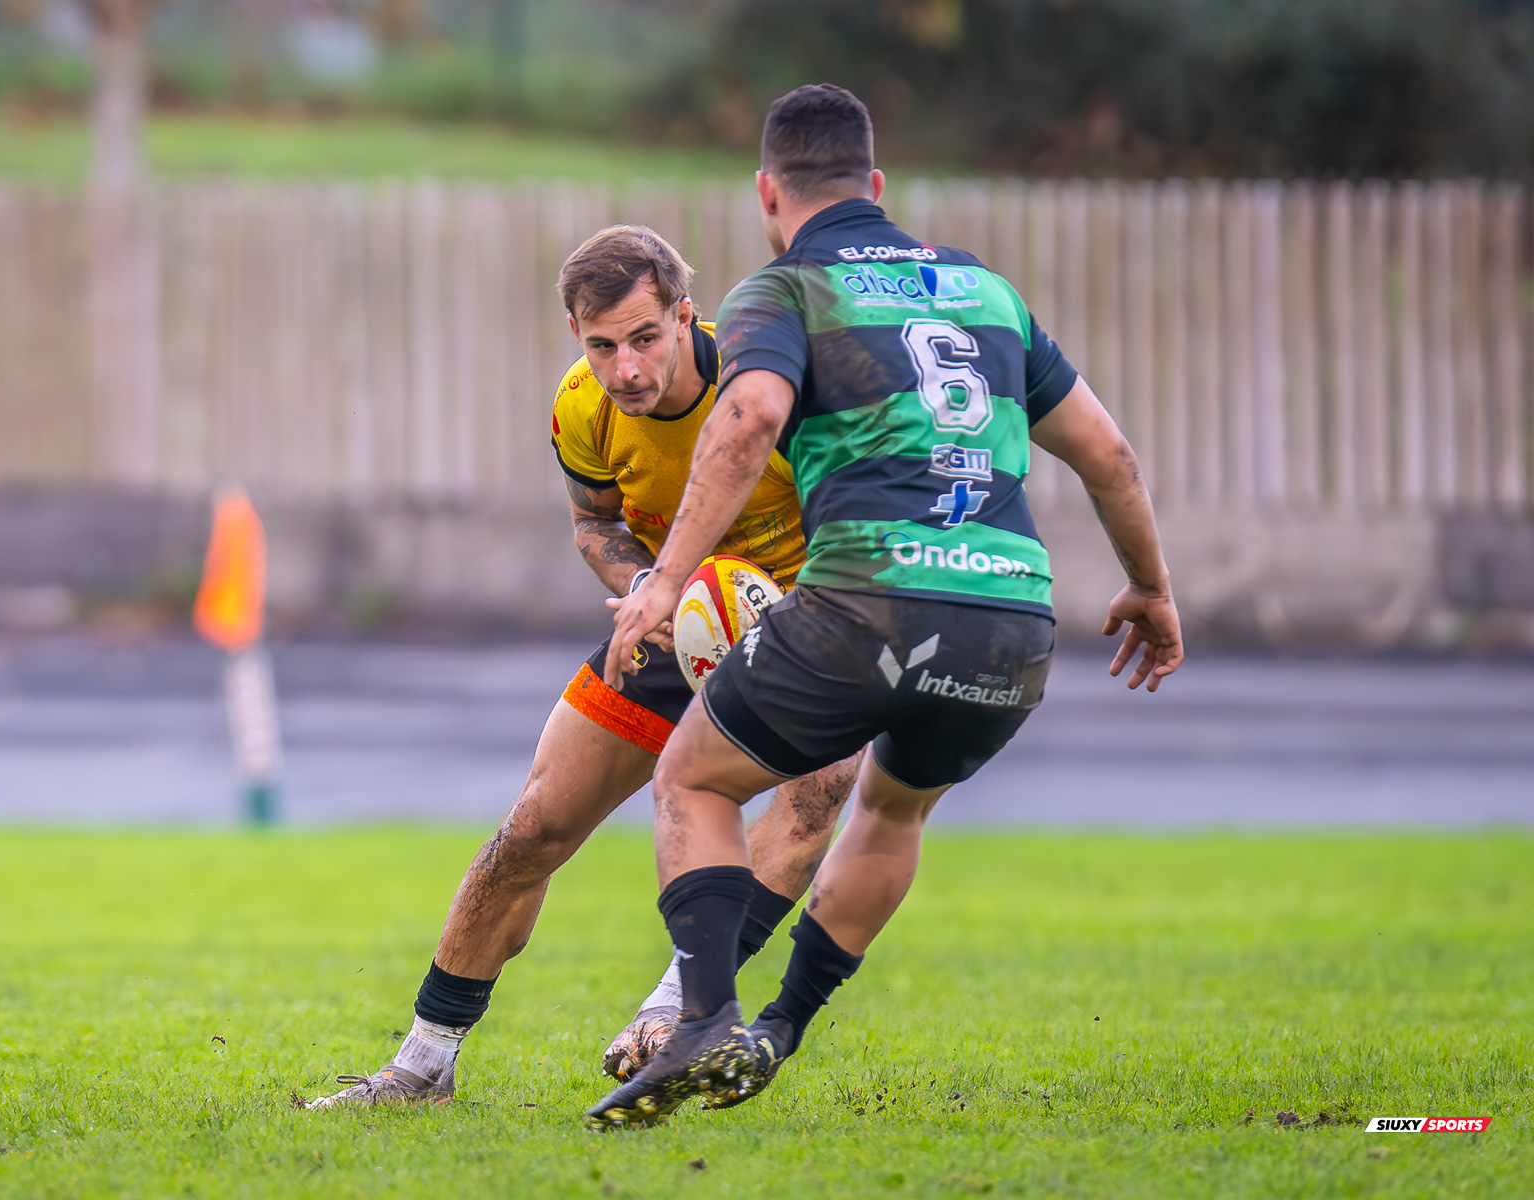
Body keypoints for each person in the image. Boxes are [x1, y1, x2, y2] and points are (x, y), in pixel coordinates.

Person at [585, 85, 1184, 1129]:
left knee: (691, 779)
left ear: (769, 191)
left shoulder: (788, 288)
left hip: (870, 597)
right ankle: (781, 1029)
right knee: (894, 807)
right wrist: (1150, 586)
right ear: (879, 186)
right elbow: (1110, 454)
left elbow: (750, 418)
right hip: (1013, 613)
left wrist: (669, 577)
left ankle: (705, 1021)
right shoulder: (987, 294)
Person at [306, 226, 859, 1107]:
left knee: (818, 793)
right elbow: (596, 524)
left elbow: (861, 525)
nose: (626, 367)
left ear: (686, 316)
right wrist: (645, 586)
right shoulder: (580, 405)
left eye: (644, 338)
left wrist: (800, 616)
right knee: (531, 831)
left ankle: (675, 1010)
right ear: (575, 334)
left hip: (807, 624)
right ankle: (421, 1066)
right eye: (602, 345)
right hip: (671, 623)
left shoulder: (775, 387)